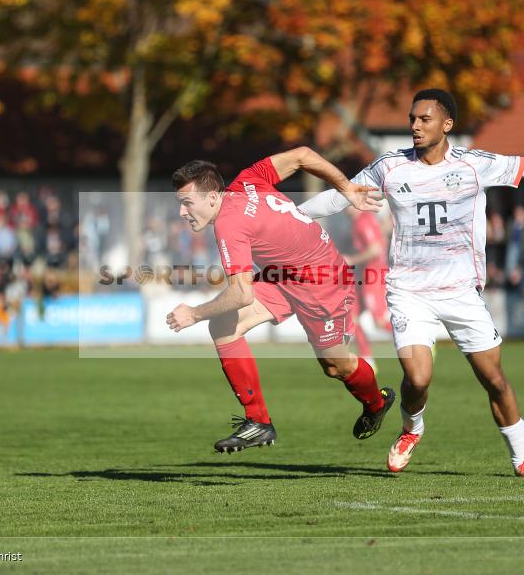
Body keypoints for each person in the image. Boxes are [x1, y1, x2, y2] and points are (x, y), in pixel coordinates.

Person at [298, 88, 524, 478]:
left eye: (424, 119)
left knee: (494, 379)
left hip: (462, 292)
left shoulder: (475, 165)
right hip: (408, 290)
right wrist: (287, 214)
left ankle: (523, 460)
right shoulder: (389, 167)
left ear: (447, 124)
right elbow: (338, 197)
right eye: (412, 119)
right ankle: (411, 431)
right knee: (417, 377)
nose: (415, 126)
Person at [166, 147, 394, 453]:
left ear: (211, 197)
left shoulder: (228, 224)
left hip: (322, 283)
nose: (182, 212)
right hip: (285, 276)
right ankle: (258, 421)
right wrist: (346, 187)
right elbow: (302, 154)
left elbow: (241, 293)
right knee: (223, 326)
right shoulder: (248, 179)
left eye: (186, 203)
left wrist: (194, 313)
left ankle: (375, 404)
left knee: (335, 366)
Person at [342, 206, 391, 372]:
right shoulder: (361, 220)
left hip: (373, 274)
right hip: (366, 274)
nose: (341, 207)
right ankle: (367, 360)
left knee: (379, 322)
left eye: (344, 201)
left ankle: (417, 339)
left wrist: (351, 259)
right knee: (351, 315)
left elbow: (375, 250)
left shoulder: (363, 221)